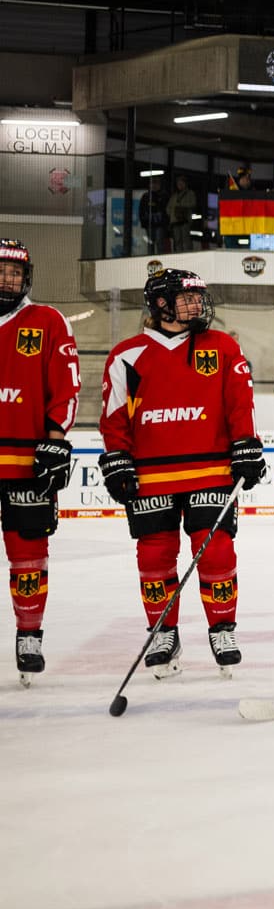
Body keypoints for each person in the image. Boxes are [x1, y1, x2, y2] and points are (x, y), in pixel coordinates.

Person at [98, 269, 262, 678]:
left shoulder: (223, 346)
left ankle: (222, 628)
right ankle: (163, 632)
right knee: (154, 556)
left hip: (211, 469)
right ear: (160, 304)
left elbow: (241, 404)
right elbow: (114, 416)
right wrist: (117, 457)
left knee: (217, 550)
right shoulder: (127, 354)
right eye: (185, 298)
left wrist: (246, 444)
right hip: (151, 473)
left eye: (196, 297)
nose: (196, 304)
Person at [0, 241, 79, 679]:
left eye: (16, 272)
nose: (9, 278)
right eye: (2, 270)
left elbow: (65, 386)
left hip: (25, 462)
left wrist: (54, 440)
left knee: (28, 555)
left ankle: (29, 633)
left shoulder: (48, 321)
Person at [166, 177, 196, 252]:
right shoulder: (174, 195)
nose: (180, 185)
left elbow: (193, 204)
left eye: (182, 183)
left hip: (185, 220)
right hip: (175, 221)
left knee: (185, 240)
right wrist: (172, 214)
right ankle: (179, 255)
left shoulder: (190, 193)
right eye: (178, 184)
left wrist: (182, 207)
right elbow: (168, 208)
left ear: (185, 184)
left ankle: (187, 254)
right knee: (177, 240)